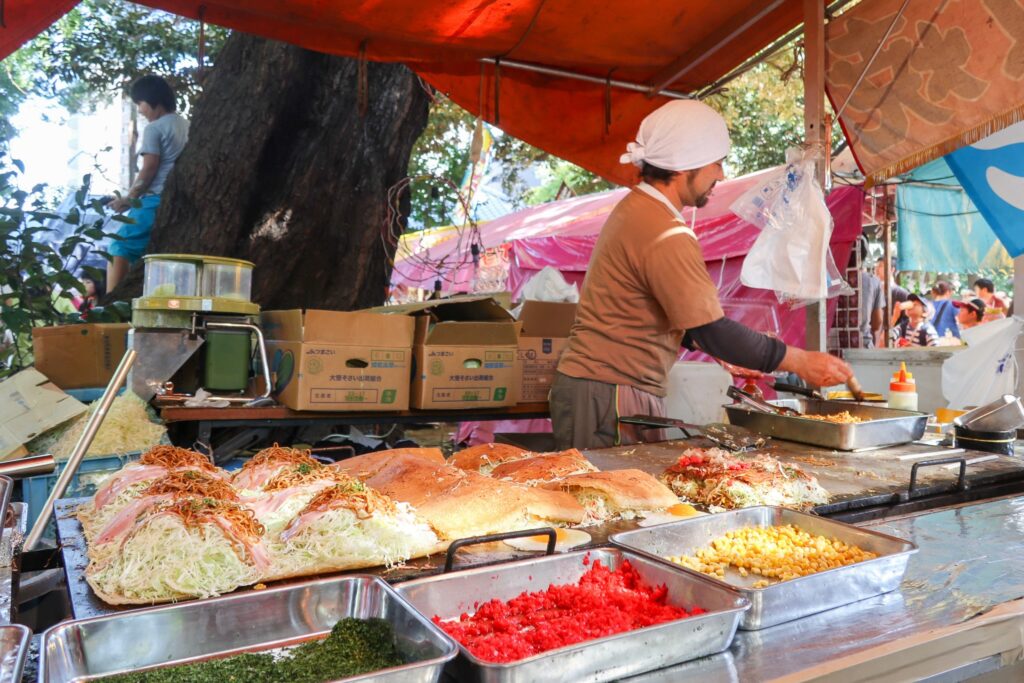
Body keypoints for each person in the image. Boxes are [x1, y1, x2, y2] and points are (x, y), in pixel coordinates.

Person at [549, 99, 853, 450]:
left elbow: (653, 312)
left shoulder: (640, 210)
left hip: (603, 389)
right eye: (717, 163)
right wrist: (800, 361)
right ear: (685, 165)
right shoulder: (660, 228)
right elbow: (712, 329)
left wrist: (710, 344)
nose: (721, 175)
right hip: (607, 392)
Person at [107, 75, 190, 291]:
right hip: (179, 200)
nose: (141, 110)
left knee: (118, 247)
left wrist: (129, 199)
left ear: (153, 100)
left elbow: (149, 167)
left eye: (140, 103)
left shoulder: (154, 129)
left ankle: (106, 307)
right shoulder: (187, 125)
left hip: (153, 200)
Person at [858, 249, 884, 348]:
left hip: (834, 347)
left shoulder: (831, 279)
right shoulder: (873, 281)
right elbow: (877, 323)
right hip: (863, 346)